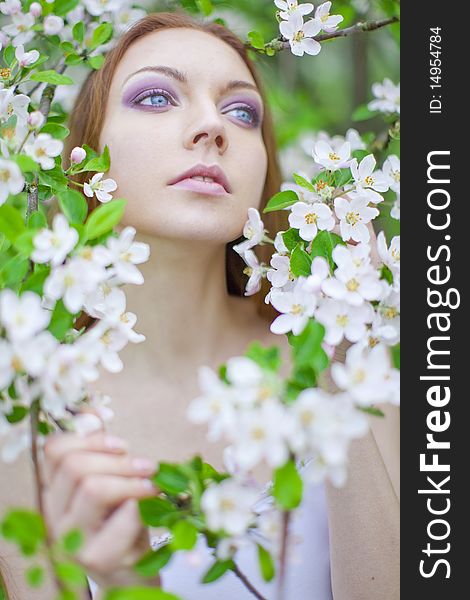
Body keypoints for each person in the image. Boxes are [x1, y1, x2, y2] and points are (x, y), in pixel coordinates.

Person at [0, 11, 400, 600]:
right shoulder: (30, 411)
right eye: (157, 97)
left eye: (243, 112)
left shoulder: (359, 357)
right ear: (84, 161)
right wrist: (124, 582)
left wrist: (337, 364)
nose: (213, 125)